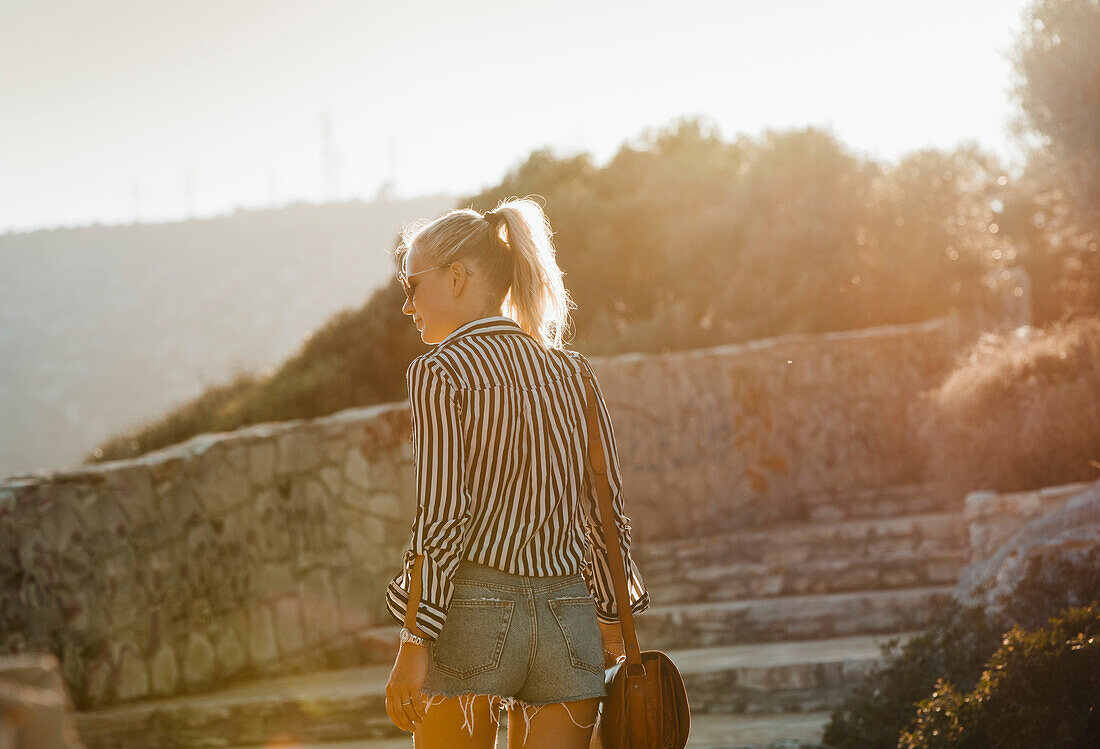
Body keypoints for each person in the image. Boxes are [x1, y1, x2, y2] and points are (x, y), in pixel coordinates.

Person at [383, 198, 650, 748]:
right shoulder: (572, 371)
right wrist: (610, 610)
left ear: (455, 277)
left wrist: (414, 638)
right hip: (569, 619)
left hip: (471, 619)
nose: (407, 305)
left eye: (411, 286)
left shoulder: (439, 371)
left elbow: (444, 516)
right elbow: (604, 508)